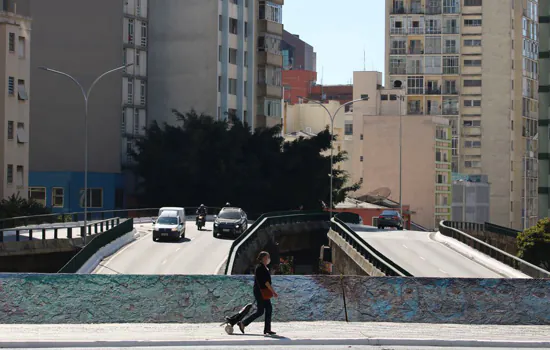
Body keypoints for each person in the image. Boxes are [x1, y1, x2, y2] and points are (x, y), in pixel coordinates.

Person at [238, 251, 278, 335]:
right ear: (263, 258)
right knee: (261, 311)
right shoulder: (260, 268)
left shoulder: (264, 267)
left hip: (262, 292)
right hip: (261, 292)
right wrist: (273, 292)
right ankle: (243, 323)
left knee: (266, 310)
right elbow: (266, 282)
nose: (268, 259)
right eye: (267, 257)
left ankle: (266, 329)